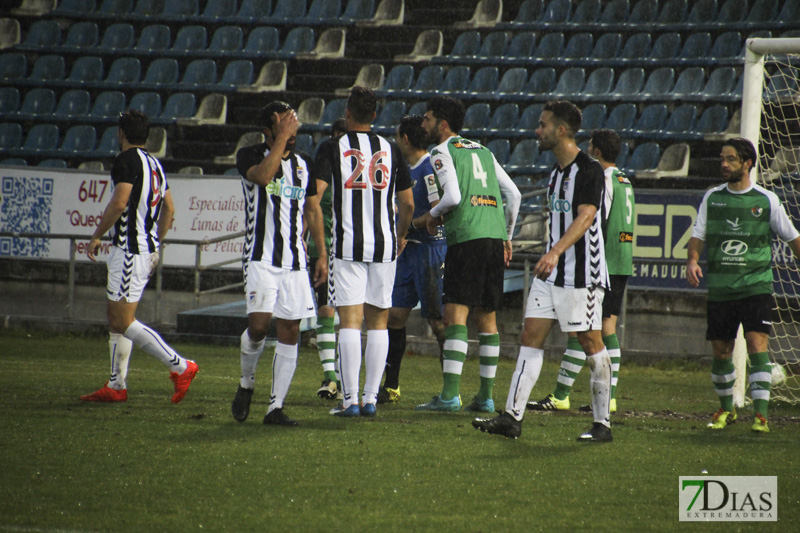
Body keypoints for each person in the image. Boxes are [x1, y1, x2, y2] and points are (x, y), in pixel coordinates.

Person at [473, 100, 612, 442]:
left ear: (561, 130)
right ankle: (512, 417)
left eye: (543, 125)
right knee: (530, 338)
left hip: (583, 273)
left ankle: (602, 424)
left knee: (590, 341)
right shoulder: (555, 174)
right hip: (552, 274)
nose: (537, 131)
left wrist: (554, 252)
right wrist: (552, 258)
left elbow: (586, 217)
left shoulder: (589, 170)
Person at [80, 109, 199, 404]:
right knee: (115, 317)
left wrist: (96, 235)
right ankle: (116, 384)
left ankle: (181, 366)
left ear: (121, 133)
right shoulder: (155, 164)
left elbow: (120, 202)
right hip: (141, 249)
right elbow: (169, 208)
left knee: (123, 319)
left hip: (130, 251)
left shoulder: (126, 161)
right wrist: (156, 241)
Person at [312, 86, 414, 417]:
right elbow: (408, 203)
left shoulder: (332, 147)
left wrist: (321, 247)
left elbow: (315, 198)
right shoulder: (391, 149)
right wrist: (400, 236)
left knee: (350, 324)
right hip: (384, 245)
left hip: (348, 245)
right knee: (379, 323)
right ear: (374, 115)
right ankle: (370, 399)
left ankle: (350, 400)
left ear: (347, 111)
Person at [415, 95, 521, 413]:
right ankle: (486, 397)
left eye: (428, 118)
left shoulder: (442, 151)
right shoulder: (484, 151)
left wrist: (431, 216)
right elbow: (513, 195)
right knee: (487, 318)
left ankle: (449, 397)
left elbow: (453, 197)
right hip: (492, 238)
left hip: (467, 239)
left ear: (442, 124)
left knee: (454, 315)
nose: (423, 123)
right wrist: (507, 236)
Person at [687, 137, 800, 434]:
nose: (724, 164)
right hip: (721, 288)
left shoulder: (766, 200)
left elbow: (793, 238)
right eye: (723, 159)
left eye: (731, 159)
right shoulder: (713, 197)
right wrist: (693, 260)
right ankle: (727, 410)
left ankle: (761, 415)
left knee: (756, 344)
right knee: (722, 351)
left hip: (756, 285)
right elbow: (698, 234)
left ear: (747, 163)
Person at [230, 101, 327, 426]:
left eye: (292, 123)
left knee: (290, 330)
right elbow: (263, 176)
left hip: (295, 262)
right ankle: (246, 384)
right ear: (267, 130)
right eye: (284, 124)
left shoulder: (304, 164)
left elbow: (313, 210)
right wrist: (281, 139)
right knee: (258, 326)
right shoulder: (250, 155)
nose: (292, 130)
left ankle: (275, 407)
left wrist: (322, 254)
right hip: (261, 258)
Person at [527, 128, 635, 414]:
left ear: (596, 151)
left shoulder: (601, 177)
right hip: (622, 259)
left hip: (601, 263)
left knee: (590, 332)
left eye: (589, 146)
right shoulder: (624, 179)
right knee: (599, 331)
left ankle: (574, 395)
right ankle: (594, 395)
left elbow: (595, 219)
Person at [378, 114, 447, 404]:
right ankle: (391, 387)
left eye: (397, 137)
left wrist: (408, 228)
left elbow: (437, 210)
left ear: (405, 139)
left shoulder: (429, 168)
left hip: (429, 250)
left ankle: (450, 390)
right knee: (395, 316)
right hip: (408, 251)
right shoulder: (407, 169)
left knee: (438, 322)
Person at [311, 117, 347, 401]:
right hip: (347, 249)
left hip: (338, 249)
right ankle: (335, 379)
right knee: (335, 313)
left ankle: (335, 379)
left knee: (332, 313)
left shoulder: (328, 156)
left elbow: (312, 201)